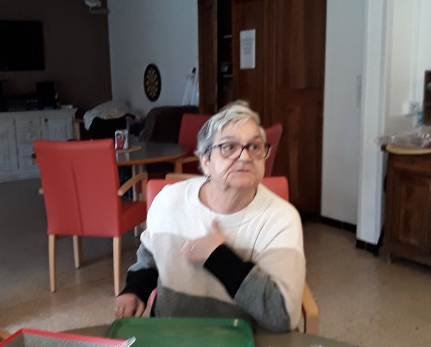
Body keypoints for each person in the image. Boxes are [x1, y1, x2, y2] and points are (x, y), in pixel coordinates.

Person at [114, 101, 305, 332]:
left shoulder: (281, 219)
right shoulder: (169, 201)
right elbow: (150, 256)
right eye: (228, 147)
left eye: (255, 146)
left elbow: (283, 317)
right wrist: (135, 290)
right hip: (169, 337)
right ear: (205, 162)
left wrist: (218, 257)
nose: (245, 157)